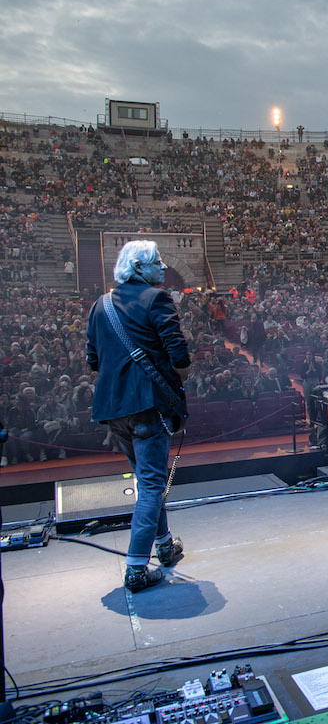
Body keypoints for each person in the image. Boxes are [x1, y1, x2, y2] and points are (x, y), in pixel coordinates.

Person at [85, 240, 190, 593]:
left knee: (149, 481)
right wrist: (177, 381)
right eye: (157, 263)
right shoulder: (157, 299)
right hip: (148, 406)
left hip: (114, 410)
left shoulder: (99, 305)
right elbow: (178, 354)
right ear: (139, 268)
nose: (163, 268)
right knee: (150, 487)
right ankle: (136, 568)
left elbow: (93, 361)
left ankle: (164, 546)